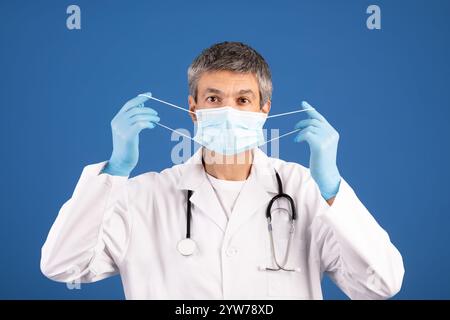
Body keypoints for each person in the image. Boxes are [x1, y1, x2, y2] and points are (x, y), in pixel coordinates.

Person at [41, 41, 404, 299]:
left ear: (265, 110)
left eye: (243, 100)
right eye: (214, 99)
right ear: (193, 109)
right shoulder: (142, 197)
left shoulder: (305, 190)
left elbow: (379, 285)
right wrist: (115, 171)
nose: (228, 111)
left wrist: (332, 189)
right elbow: (62, 266)